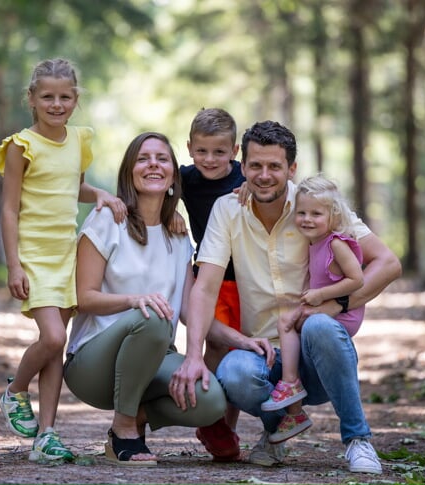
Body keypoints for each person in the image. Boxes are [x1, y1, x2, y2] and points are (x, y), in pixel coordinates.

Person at [170, 121, 402, 474]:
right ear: (242, 167)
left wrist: (336, 305)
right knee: (234, 373)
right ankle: (276, 431)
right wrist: (192, 356)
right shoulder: (227, 210)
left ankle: (358, 440)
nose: (264, 175)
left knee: (321, 326)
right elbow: (205, 286)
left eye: (274, 166)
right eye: (256, 166)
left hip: (317, 355)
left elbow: (387, 263)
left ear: (292, 169)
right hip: (263, 354)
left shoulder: (316, 207)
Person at [63, 132, 227, 466]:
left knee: (211, 402)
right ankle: (124, 430)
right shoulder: (108, 219)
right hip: (93, 364)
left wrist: (243, 341)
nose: (153, 164)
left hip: (149, 359)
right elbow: (83, 297)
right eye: (143, 158)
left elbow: (192, 310)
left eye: (162, 158)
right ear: (129, 172)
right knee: (152, 316)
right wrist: (135, 300)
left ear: (172, 175)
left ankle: (134, 412)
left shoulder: (179, 236)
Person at [0, 58, 126, 462]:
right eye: (47, 96)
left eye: (64, 97)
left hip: (66, 254)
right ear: (31, 99)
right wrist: (14, 264)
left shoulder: (78, 140)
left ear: (75, 99)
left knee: (57, 346)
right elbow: (9, 210)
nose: (56, 104)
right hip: (34, 256)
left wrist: (100, 194)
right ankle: (15, 391)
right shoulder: (21, 146)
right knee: (51, 337)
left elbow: (74, 185)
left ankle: (46, 436)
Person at [260, 174, 365, 445]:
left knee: (299, 323)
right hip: (321, 308)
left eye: (316, 213)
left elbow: (357, 280)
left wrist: (321, 295)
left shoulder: (336, 244)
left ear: (333, 215)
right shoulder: (313, 242)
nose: (307, 219)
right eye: (302, 212)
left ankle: (356, 436)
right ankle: (290, 387)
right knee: (286, 321)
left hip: (340, 317)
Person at [179, 108, 245, 461]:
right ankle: (211, 418)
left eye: (220, 152)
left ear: (234, 151)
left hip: (247, 277)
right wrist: (172, 213)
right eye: (202, 151)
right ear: (189, 147)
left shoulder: (245, 178)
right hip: (210, 276)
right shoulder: (185, 179)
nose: (210, 159)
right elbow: (154, 194)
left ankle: (226, 428)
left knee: (239, 352)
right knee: (217, 344)